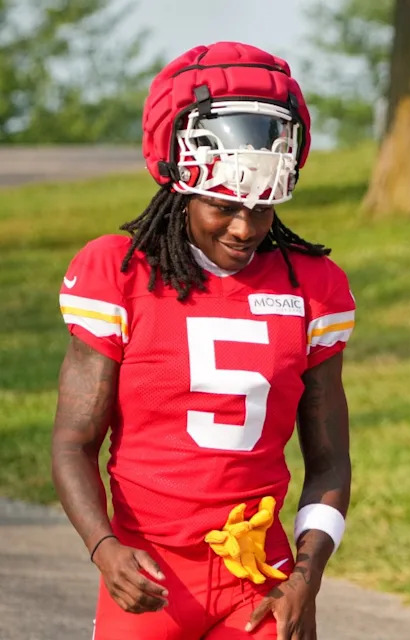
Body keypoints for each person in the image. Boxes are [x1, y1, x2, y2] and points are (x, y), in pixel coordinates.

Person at [50, 41, 355, 640]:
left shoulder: (311, 285)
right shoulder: (119, 273)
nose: (245, 227)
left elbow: (329, 459)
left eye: (262, 208)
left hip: (261, 576)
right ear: (180, 187)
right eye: (223, 205)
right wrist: (104, 548)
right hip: (150, 573)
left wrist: (307, 576)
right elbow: (72, 444)